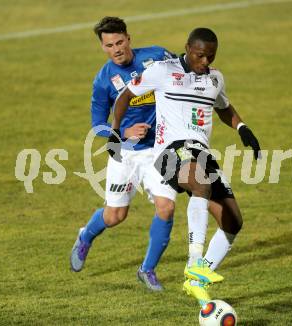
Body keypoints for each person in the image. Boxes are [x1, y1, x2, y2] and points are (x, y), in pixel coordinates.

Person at [109, 27, 261, 306]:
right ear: (188, 48)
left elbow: (223, 106)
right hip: (168, 152)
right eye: (201, 56)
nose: (205, 63)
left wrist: (242, 127)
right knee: (199, 181)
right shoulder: (162, 71)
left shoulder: (215, 79)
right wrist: (115, 131)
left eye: (211, 57)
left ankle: (195, 281)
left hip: (199, 152)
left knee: (232, 221)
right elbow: (125, 97)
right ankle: (194, 261)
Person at [69, 16, 178, 292]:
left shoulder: (157, 56)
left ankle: (147, 270)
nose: (116, 49)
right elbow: (98, 126)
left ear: (129, 38)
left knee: (166, 207)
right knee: (115, 216)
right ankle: (86, 236)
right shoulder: (103, 81)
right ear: (103, 47)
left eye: (119, 42)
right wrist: (124, 132)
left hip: (160, 148)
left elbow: (183, 74)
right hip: (125, 154)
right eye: (109, 45)